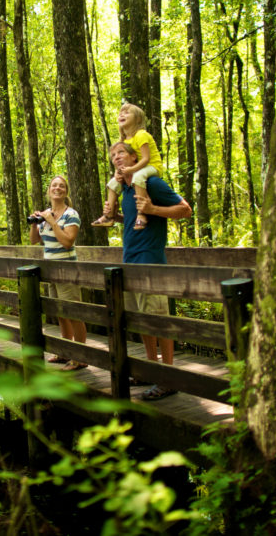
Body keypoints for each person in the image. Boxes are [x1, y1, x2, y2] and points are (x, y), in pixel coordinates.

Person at [108, 141, 192, 401]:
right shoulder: (126, 190)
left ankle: (167, 377)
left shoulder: (153, 184)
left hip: (151, 260)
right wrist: (118, 217)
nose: (116, 157)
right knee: (143, 320)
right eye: (112, 155)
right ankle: (150, 370)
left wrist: (153, 209)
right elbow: (138, 217)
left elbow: (186, 209)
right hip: (130, 258)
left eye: (121, 152)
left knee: (158, 319)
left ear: (136, 157)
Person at [29, 175, 88, 371]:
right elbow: (34, 241)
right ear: (49, 190)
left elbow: (67, 242)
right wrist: (35, 222)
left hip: (67, 269)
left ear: (66, 191)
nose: (57, 188)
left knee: (72, 312)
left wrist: (53, 222)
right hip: (50, 270)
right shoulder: (46, 214)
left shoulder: (71, 214)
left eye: (61, 186)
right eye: (54, 185)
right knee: (60, 313)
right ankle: (64, 352)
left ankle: (80, 356)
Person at [92, 103, 165, 231]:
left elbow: (146, 158)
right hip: (138, 169)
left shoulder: (141, 135)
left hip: (152, 166)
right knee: (113, 183)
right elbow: (123, 161)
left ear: (137, 119)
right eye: (120, 113)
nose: (122, 114)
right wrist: (118, 173)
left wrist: (132, 170)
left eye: (127, 113)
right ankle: (108, 215)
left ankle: (142, 214)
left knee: (138, 176)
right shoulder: (125, 141)